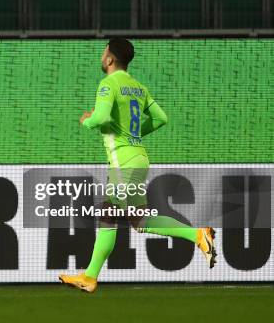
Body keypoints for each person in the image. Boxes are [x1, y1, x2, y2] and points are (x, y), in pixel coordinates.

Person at [59, 38, 215, 293]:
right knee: (137, 220)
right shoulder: (138, 87)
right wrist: (135, 134)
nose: (102, 55)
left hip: (124, 161)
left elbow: (100, 117)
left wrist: (87, 121)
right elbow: (160, 118)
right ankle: (198, 236)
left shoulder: (108, 84)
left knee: (111, 213)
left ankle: (89, 277)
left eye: (104, 51)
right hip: (138, 157)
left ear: (109, 58)